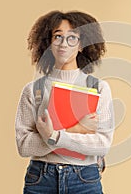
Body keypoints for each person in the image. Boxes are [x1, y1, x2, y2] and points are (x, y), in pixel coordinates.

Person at [15, 10, 115, 194]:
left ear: (81, 45)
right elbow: (23, 145)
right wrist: (76, 128)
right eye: (57, 36)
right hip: (41, 179)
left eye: (72, 38)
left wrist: (52, 135)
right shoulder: (33, 90)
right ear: (48, 43)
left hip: (84, 179)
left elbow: (102, 143)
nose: (63, 44)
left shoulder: (98, 88)